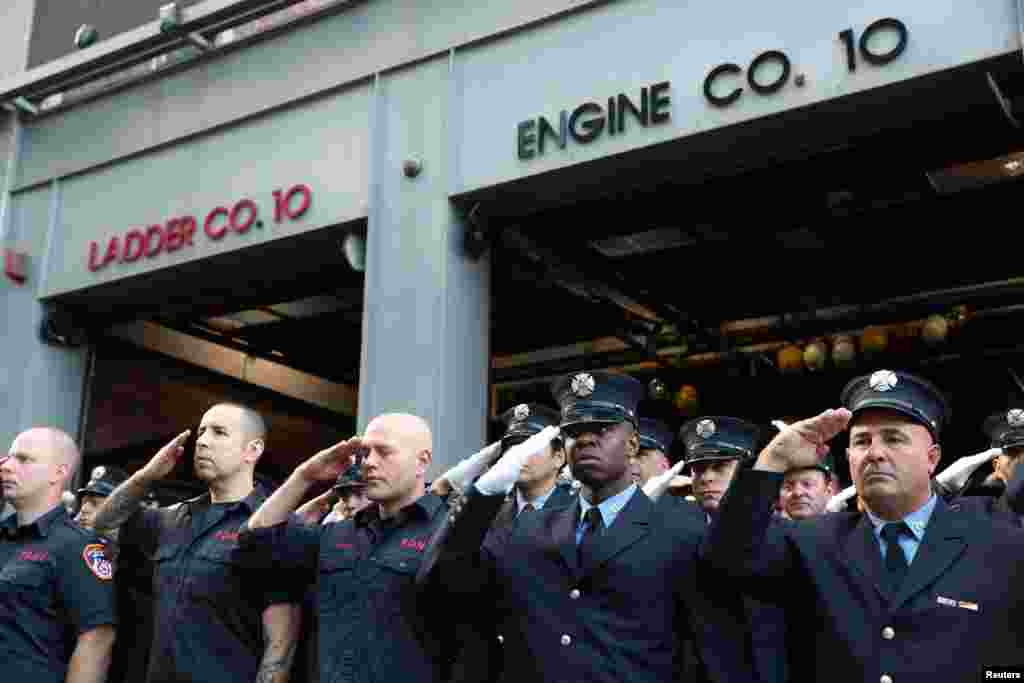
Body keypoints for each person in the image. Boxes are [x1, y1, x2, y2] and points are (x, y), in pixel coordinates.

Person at [421, 371, 748, 683]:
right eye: (575, 431)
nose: (586, 439)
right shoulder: (528, 529)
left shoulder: (682, 530)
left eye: (602, 428)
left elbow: (712, 649)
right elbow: (444, 586)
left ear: (633, 444)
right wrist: (484, 495)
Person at [703, 369, 1024, 682]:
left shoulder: (995, 539)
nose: (875, 453)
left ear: (932, 458)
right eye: (862, 441)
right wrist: (772, 461)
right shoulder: (814, 542)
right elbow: (725, 559)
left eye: (894, 438)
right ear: (848, 457)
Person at [93, 403, 303, 683]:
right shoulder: (173, 518)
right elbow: (105, 523)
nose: (203, 441)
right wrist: (147, 476)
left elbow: (280, 645)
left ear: (252, 451)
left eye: (219, 432)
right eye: (202, 431)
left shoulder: (272, 527)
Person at [239, 413, 455, 683]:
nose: (370, 462)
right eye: (365, 452)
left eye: (384, 452)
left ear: (422, 461)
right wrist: (305, 475)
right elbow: (253, 542)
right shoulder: (337, 534)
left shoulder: (451, 530)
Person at [0, 427, 117, 682]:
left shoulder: (77, 546)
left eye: (23, 459)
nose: (7, 466)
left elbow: (96, 640)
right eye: (8, 457)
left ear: (59, 472)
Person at [679, 416, 787, 683]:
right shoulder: (675, 536)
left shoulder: (783, 534)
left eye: (720, 467)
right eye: (698, 469)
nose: (707, 478)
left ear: (746, 470)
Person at [779, 453, 837, 520]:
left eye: (807, 484)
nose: (797, 492)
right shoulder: (767, 528)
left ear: (828, 491)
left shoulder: (845, 528)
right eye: (788, 487)